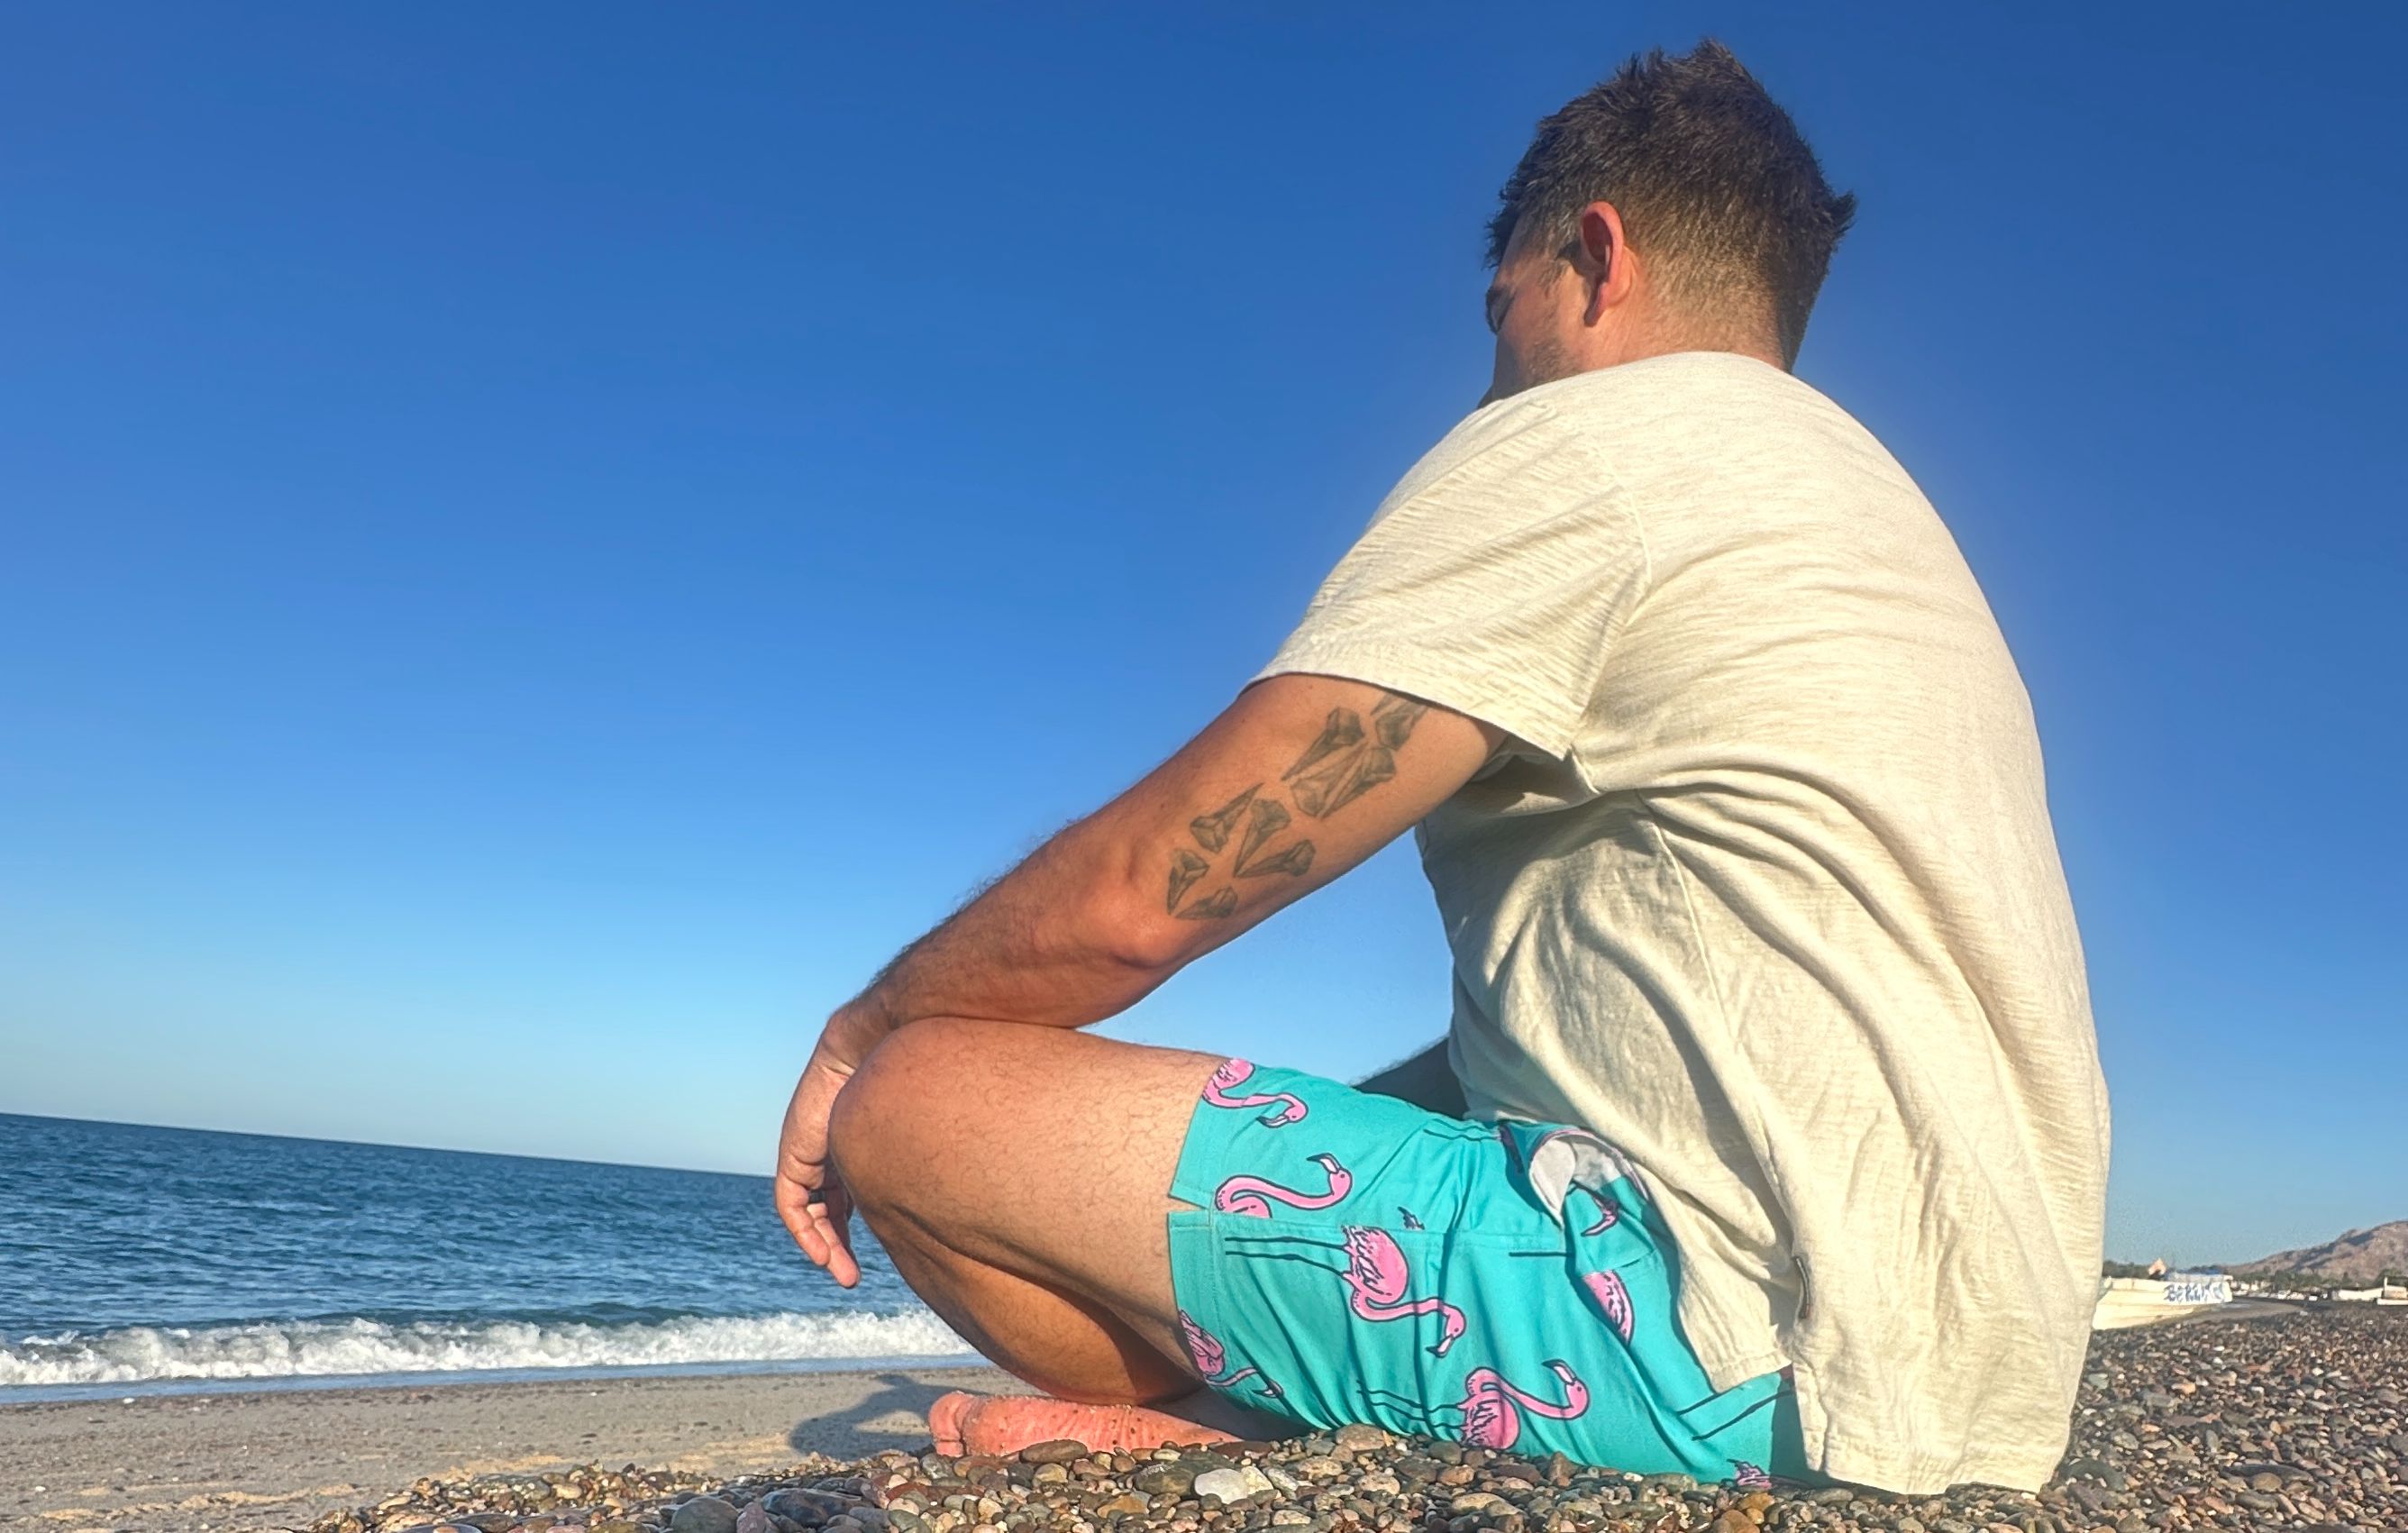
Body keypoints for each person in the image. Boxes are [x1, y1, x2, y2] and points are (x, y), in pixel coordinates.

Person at [774, 40, 2107, 1494]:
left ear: (1594, 256)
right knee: (1414, 1092)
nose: (1494, 371)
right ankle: (1284, 1383)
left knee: (915, 1102)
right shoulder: (1873, 520)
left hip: (1723, 1351)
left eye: (1499, 311)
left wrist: (857, 1031)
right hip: (1966, 1376)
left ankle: (1249, 1402)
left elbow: (1143, 898)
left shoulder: (1595, 442)